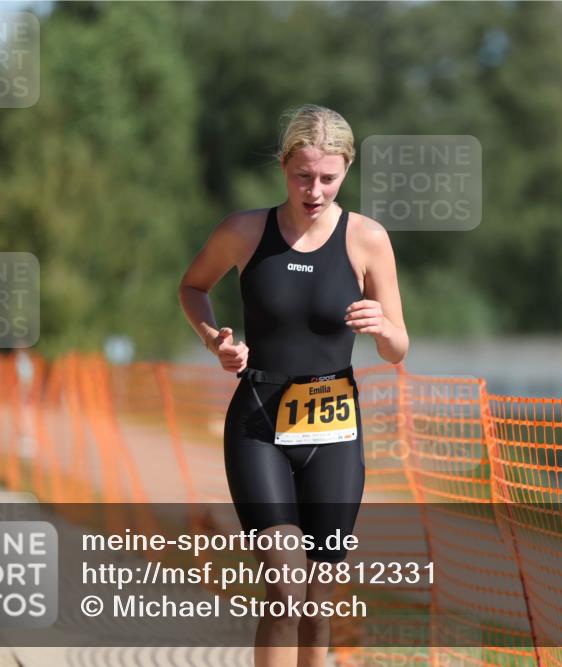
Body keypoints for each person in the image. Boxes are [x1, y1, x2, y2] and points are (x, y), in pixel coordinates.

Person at [178, 104, 408, 667]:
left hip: (334, 427)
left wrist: (382, 327)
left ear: (346, 171)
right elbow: (192, 287)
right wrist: (216, 341)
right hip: (258, 421)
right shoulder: (245, 230)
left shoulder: (368, 239)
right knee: (284, 589)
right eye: (303, 176)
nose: (315, 190)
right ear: (283, 166)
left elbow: (398, 346)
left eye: (328, 178)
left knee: (318, 601)